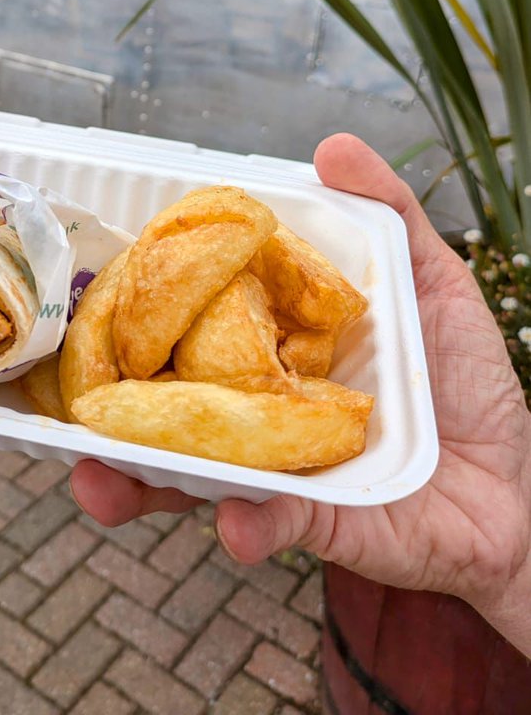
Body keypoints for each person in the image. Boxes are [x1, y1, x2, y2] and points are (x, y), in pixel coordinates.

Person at [69, 133, 531, 659]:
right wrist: (512, 559)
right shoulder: (216, 261)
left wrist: (517, 558)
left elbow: (138, 371)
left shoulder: (251, 280)